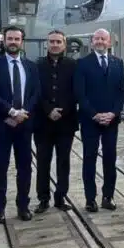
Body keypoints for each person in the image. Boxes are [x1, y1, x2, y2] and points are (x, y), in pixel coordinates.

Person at [0, 26, 41, 223]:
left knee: (25, 166)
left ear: (21, 41)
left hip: (24, 125)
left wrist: (24, 112)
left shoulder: (31, 66)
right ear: (4, 40)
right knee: (0, 167)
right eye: (10, 38)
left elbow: (36, 92)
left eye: (16, 39)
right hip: (2, 124)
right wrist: (11, 111)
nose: (13, 42)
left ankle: (23, 206)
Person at [74, 28, 124, 212]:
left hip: (111, 121)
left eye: (103, 39)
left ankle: (108, 196)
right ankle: (90, 199)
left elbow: (121, 92)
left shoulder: (118, 63)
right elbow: (80, 94)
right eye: (96, 38)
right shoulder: (82, 64)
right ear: (92, 42)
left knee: (110, 159)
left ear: (109, 42)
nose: (100, 41)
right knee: (89, 158)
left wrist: (113, 113)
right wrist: (94, 114)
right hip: (90, 120)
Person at [34, 29, 79, 212]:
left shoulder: (73, 65)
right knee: (43, 162)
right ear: (47, 43)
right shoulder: (37, 65)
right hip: (43, 123)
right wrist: (48, 110)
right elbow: (35, 91)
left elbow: (76, 91)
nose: (55, 45)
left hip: (66, 122)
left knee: (63, 162)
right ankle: (43, 198)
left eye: (58, 42)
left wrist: (63, 110)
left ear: (64, 44)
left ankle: (60, 197)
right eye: (52, 41)